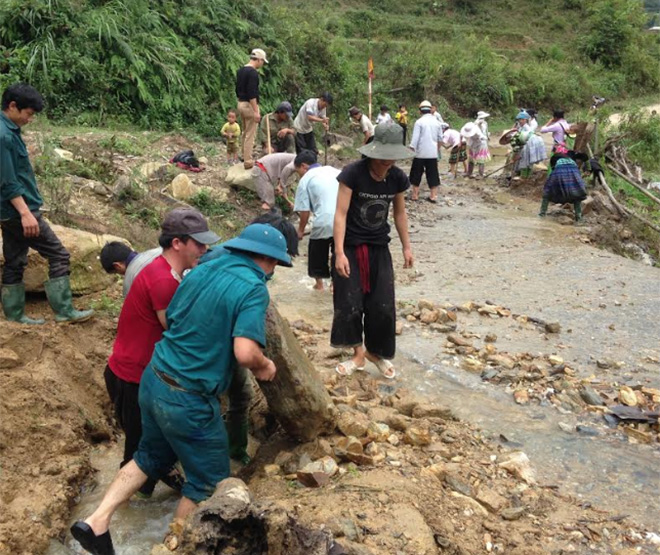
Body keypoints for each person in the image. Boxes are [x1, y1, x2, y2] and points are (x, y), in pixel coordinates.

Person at [71, 223, 290, 555]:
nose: (273, 271)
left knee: (148, 456)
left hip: (154, 378)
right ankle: (172, 548)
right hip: (188, 399)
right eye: (275, 264)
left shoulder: (204, 269)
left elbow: (172, 316)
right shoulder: (252, 288)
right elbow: (245, 352)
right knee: (206, 483)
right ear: (267, 259)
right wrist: (265, 365)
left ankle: (96, 521)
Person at [103, 209, 219, 499]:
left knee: (146, 442)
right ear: (178, 243)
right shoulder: (163, 281)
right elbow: (177, 331)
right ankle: (129, 512)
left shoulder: (161, 269)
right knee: (139, 448)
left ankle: (139, 498)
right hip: (133, 375)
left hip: (129, 370)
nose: (204, 250)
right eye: (199, 244)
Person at [1, 83, 93, 325]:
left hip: (9, 212)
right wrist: (26, 213)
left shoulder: (8, 130)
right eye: (28, 114)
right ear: (12, 106)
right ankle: (64, 311)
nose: (30, 119)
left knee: (15, 260)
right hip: (18, 210)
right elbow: (8, 181)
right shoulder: (3, 136)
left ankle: (14, 315)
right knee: (59, 254)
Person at [332, 123, 414, 380]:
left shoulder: (397, 177)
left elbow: (399, 213)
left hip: (379, 248)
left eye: (392, 159)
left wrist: (407, 247)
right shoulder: (352, 173)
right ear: (372, 151)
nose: (387, 163)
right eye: (383, 158)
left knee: (383, 306)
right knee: (350, 302)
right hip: (351, 247)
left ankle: (375, 353)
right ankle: (358, 353)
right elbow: (340, 214)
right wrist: (339, 252)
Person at [293, 150, 340, 291]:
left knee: (316, 252)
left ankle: (319, 285)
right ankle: (335, 284)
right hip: (345, 221)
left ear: (303, 166)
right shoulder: (335, 171)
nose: (299, 175)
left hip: (323, 222)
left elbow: (305, 211)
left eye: (297, 171)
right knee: (339, 251)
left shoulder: (306, 179)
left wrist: (300, 231)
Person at [235, 48, 268, 169]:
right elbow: (252, 93)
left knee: (245, 131)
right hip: (249, 105)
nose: (262, 64)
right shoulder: (253, 73)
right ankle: (248, 160)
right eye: (262, 61)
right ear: (258, 60)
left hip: (240, 103)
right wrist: (255, 111)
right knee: (250, 133)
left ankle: (243, 155)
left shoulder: (241, 70)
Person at [409, 100, 442, 202]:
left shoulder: (419, 122)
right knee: (433, 174)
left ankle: (415, 195)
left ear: (420, 111)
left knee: (416, 173)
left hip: (420, 153)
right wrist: (437, 150)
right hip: (432, 153)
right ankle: (433, 196)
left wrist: (411, 148)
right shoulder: (437, 122)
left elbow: (415, 139)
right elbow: (440, 139)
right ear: (430, 110)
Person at [539, 156, 587, 223]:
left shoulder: (557, 168)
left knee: (547, 192)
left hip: (559, 179)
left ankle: (542, 214)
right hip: (574, 189)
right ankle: (579, 218)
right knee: (577, 196)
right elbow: (580, 183)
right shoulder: (574, 166)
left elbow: (549, 184)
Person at [509, 111, 546, 179]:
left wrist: (514, 157)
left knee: (525, 161)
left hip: (528, 145)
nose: (520, 121)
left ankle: (524, 177)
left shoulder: (527, 128)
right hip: (524, 144)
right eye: (519, 119)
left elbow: (520, 143)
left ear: (526, 120)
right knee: (524, 161)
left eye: (522, 119)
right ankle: (524, 176)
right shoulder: (520, 127)